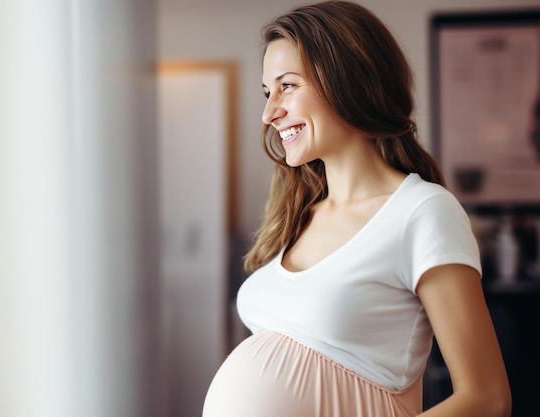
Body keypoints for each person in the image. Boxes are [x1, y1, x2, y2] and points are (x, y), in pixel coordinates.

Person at [202, 1, 511, 416]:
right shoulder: (300, 214)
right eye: (266, 92)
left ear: (348, 81)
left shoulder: (422, 212)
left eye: (287, 86)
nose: (269, 112)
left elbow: (487, 398)